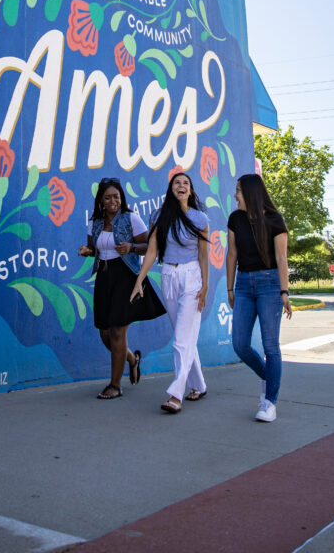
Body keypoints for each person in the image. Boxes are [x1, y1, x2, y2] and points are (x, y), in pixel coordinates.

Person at [78, 177, 165, 399]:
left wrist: (132, 247)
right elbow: (93, 247)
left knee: (118, 330)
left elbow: (149, 247)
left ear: (121, 198)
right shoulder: (95, 222)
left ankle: (115, 386)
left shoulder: (131, 219)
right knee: (105, 333)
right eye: (107, 197)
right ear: (101, 200)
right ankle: (132, 359)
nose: (112, 201)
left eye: (116, 196)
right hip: (104, 277)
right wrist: (88, 251)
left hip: (125, 276)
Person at [130, 171, 209, 413]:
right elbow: (152, 251)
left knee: (181, 341)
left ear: (191, 191)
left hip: (192, 277)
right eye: (177, 183)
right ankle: (199, 385)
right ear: (171, 189)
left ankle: (176, 393)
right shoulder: (159, 216)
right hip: (169, 276)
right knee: (184, 336)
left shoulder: (200, 219)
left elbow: (204, 255)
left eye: (186, 183)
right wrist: (139, 280)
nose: (181, 185)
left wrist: (205, 286)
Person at [225, 173, 292, 423]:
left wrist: (284, 292)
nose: (235, 195)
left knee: (270, 346)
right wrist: (230, 289)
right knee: (240, 344)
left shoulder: (275, 220)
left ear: (251, 193)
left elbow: (281, 259)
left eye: (239, 190)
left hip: (269, 284)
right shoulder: (235, 219)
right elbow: (231, 254)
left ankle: (270, 402)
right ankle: (268, 377)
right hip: (243, 284)